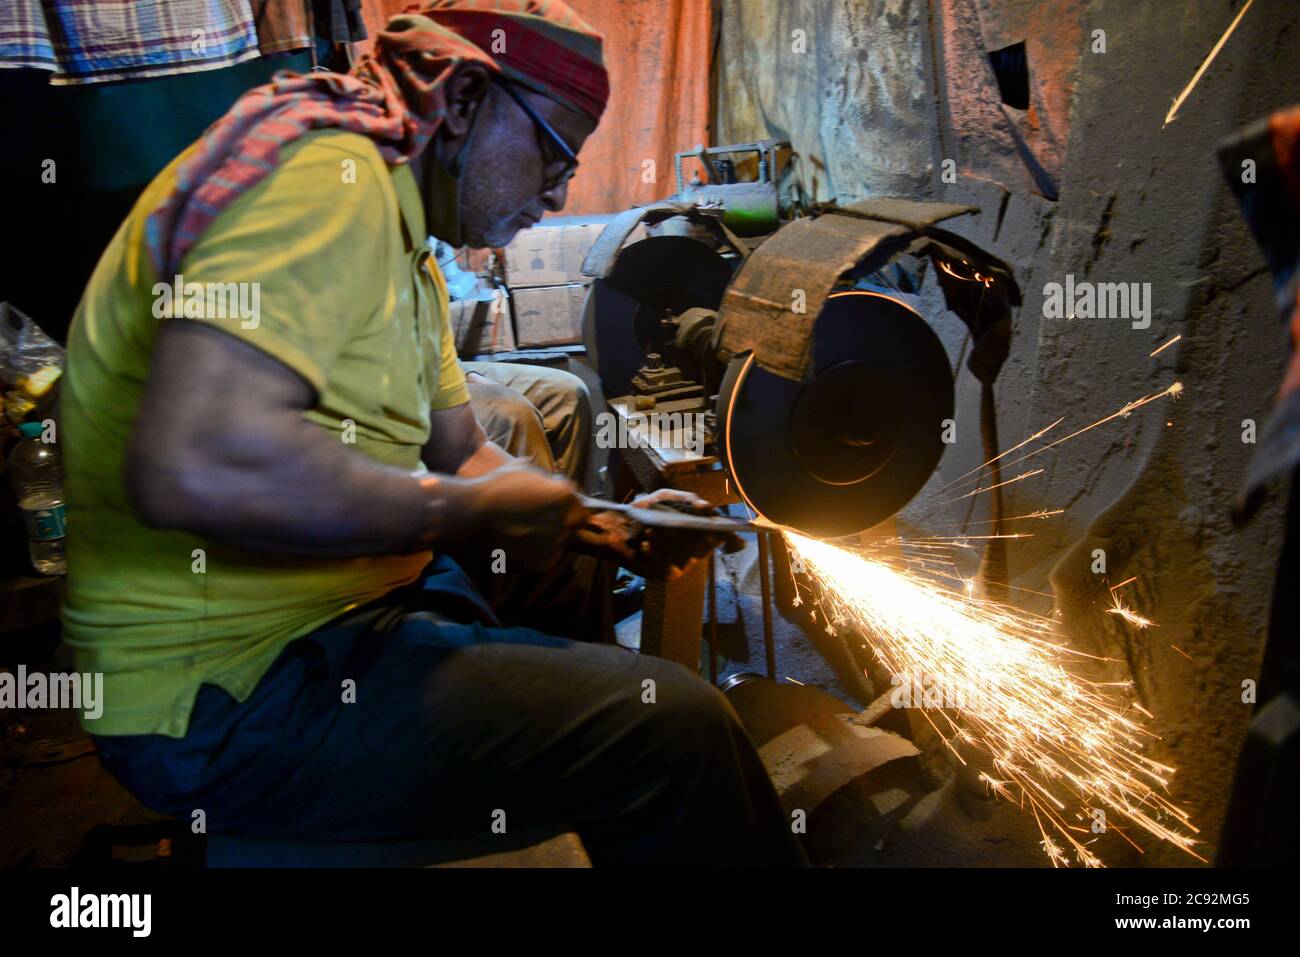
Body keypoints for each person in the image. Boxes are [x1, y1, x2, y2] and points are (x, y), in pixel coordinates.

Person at [59, 0, 807, 867]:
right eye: (554, 153)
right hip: (224, 693)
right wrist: (458, 513)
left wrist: (602, 520)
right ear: (461, 102)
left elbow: (460, 450)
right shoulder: (319, 180)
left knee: (556, 592)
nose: (560, 191)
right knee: (676, 728)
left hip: (337, 617)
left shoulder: (403, 238)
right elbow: (193, 467)